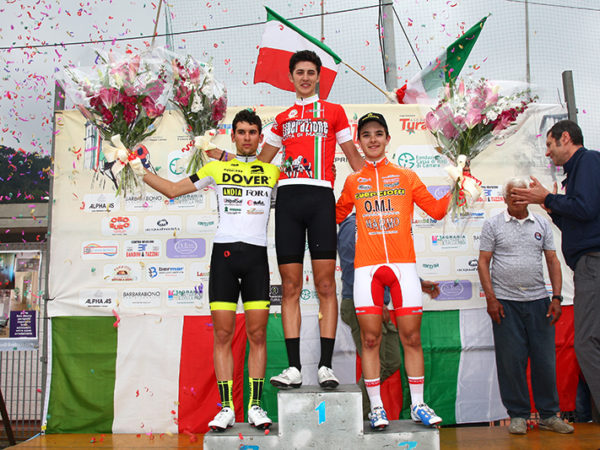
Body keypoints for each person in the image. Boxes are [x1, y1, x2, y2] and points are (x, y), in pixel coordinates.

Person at [141, 110, 279, 431]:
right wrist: (139, 170)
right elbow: (173, 190)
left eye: (252, 132)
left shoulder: (272, 171)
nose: (247, 137)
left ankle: (255, 406)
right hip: (224, 258)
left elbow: (301, 195)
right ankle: (227, 407)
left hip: (257, 258)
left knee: (258, 334)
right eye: (241, 132)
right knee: (223, 334)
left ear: (261, 137)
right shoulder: (216, 168)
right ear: (233, 136)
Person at [336, 112, 449, 429]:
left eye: (378, 133)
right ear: (358, 142)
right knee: (370, 341)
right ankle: (376, 408)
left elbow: (437, 210)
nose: (372, 139)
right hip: (367, 271)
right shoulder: (353, 182)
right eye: (366, 134)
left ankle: (418, 405)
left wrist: (460, 184)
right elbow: (335, 214)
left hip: (403, 269)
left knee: (411, 337)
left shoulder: (406, 176)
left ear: (387, 139)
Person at [258, 50, 364, 389]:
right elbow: (260, 165)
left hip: (321, 200)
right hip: (288, 201)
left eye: (310, 72)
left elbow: (354, 159)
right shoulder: (281, 119)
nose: (305, 78)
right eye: (299, 72)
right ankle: (293, 368)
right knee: (290, 287)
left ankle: (325, 366)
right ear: (291, 77)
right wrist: (220, 158)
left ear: (319, 77)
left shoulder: (334, 112)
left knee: (326, 285)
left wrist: (384, 181)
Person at [511, 120, 600, 423]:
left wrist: (547, 199)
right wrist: (552, 208)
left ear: (565, 138)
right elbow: (580, 220)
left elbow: (585, 208)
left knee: (586, 343)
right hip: (588, 263)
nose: (548, 152)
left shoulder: (587, 161)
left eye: (549, 144)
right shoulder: (576, 172)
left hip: (593, 263)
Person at [478, 177, 574, 435]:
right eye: (512, 194)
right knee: (511, 362)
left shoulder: (541, 223)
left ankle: (549, 415)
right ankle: (518, 415)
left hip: (539, 303)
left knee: (545, 361)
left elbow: (553, 260)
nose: (517, 199)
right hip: (505, 304)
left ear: (528, 197)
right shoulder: (493, 224)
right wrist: (491, 299)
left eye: (522, 194)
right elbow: (483, 262)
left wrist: (556, 298)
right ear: (504, 198)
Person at [338, 213, 440, 420]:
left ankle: (356, 414)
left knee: (391, 361)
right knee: (382, 362)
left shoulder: (379, 224)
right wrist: (374, 304)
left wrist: (419, 282)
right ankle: (350, 416)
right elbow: (351, 269)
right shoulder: (352, 226)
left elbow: (391, 263)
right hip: (361, 304)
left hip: (378, 303)